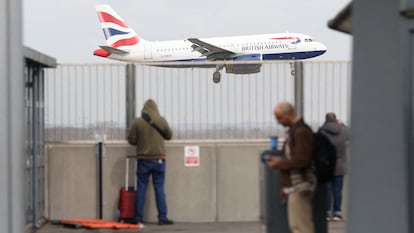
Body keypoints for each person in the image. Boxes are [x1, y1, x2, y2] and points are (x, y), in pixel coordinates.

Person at [266, 101, 317, 233]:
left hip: (300, 185)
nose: (278, 122)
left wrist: (279, 164)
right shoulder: (296, 131)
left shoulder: (301, 132)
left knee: (301, 228)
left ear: (288, 114)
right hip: (296, 186)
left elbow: (302, 160)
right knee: (298, 226)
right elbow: (297, 158)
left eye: (279, 118)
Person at [127, 99, 174, 225]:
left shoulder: (137, 122)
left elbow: (131, 139)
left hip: (143, 160)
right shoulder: (161, 120)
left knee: (141, 188)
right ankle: (162, 218)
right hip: (159, 160)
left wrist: (141, 142)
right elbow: (169, 136)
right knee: (159, 189)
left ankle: (138, 218)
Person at [319, 112, 349, 221]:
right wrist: (342, 125)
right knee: (338, 189)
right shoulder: (343, 130)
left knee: (327, 190)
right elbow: (352, 134)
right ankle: (337, 212)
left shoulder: (322, 131)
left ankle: (326, 212)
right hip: (340, 165)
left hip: (327, 165)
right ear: (336, 119)